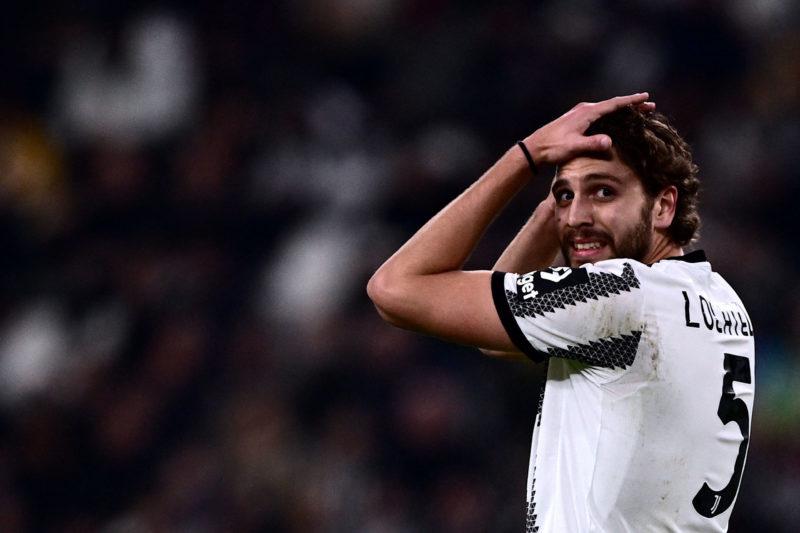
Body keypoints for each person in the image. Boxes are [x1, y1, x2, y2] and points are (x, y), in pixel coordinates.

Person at [367, 93, 755, 532]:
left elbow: (394, 289)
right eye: (565, 197)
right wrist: (560, 206)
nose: (575, 217)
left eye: (604, 191)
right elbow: (496, 341)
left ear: (664, 206)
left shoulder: (621, 295)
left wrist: (528, 154)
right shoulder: (722, 300)